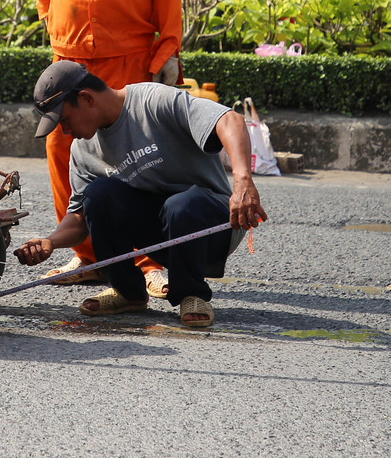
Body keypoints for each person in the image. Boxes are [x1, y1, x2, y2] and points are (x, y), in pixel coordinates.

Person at [20, 0, 183, 298]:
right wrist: (54, 10)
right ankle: (87, 256)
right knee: (62, 149)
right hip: (68, 56)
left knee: (136, 157)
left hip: (128, 58)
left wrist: (167, 51)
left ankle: (150, 261)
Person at [15, 60, 265, 328]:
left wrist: (242, 181)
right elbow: (79, 218)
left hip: (208, 228)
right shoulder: (83, 151)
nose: (65, 131)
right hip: (161, 234)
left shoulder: (152, 100)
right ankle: (127, 292)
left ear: (86, 98)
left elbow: (230, 119)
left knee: (181, 204)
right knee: (98, 194)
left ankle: (192, 293)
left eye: (65, 120)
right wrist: (50, 242)